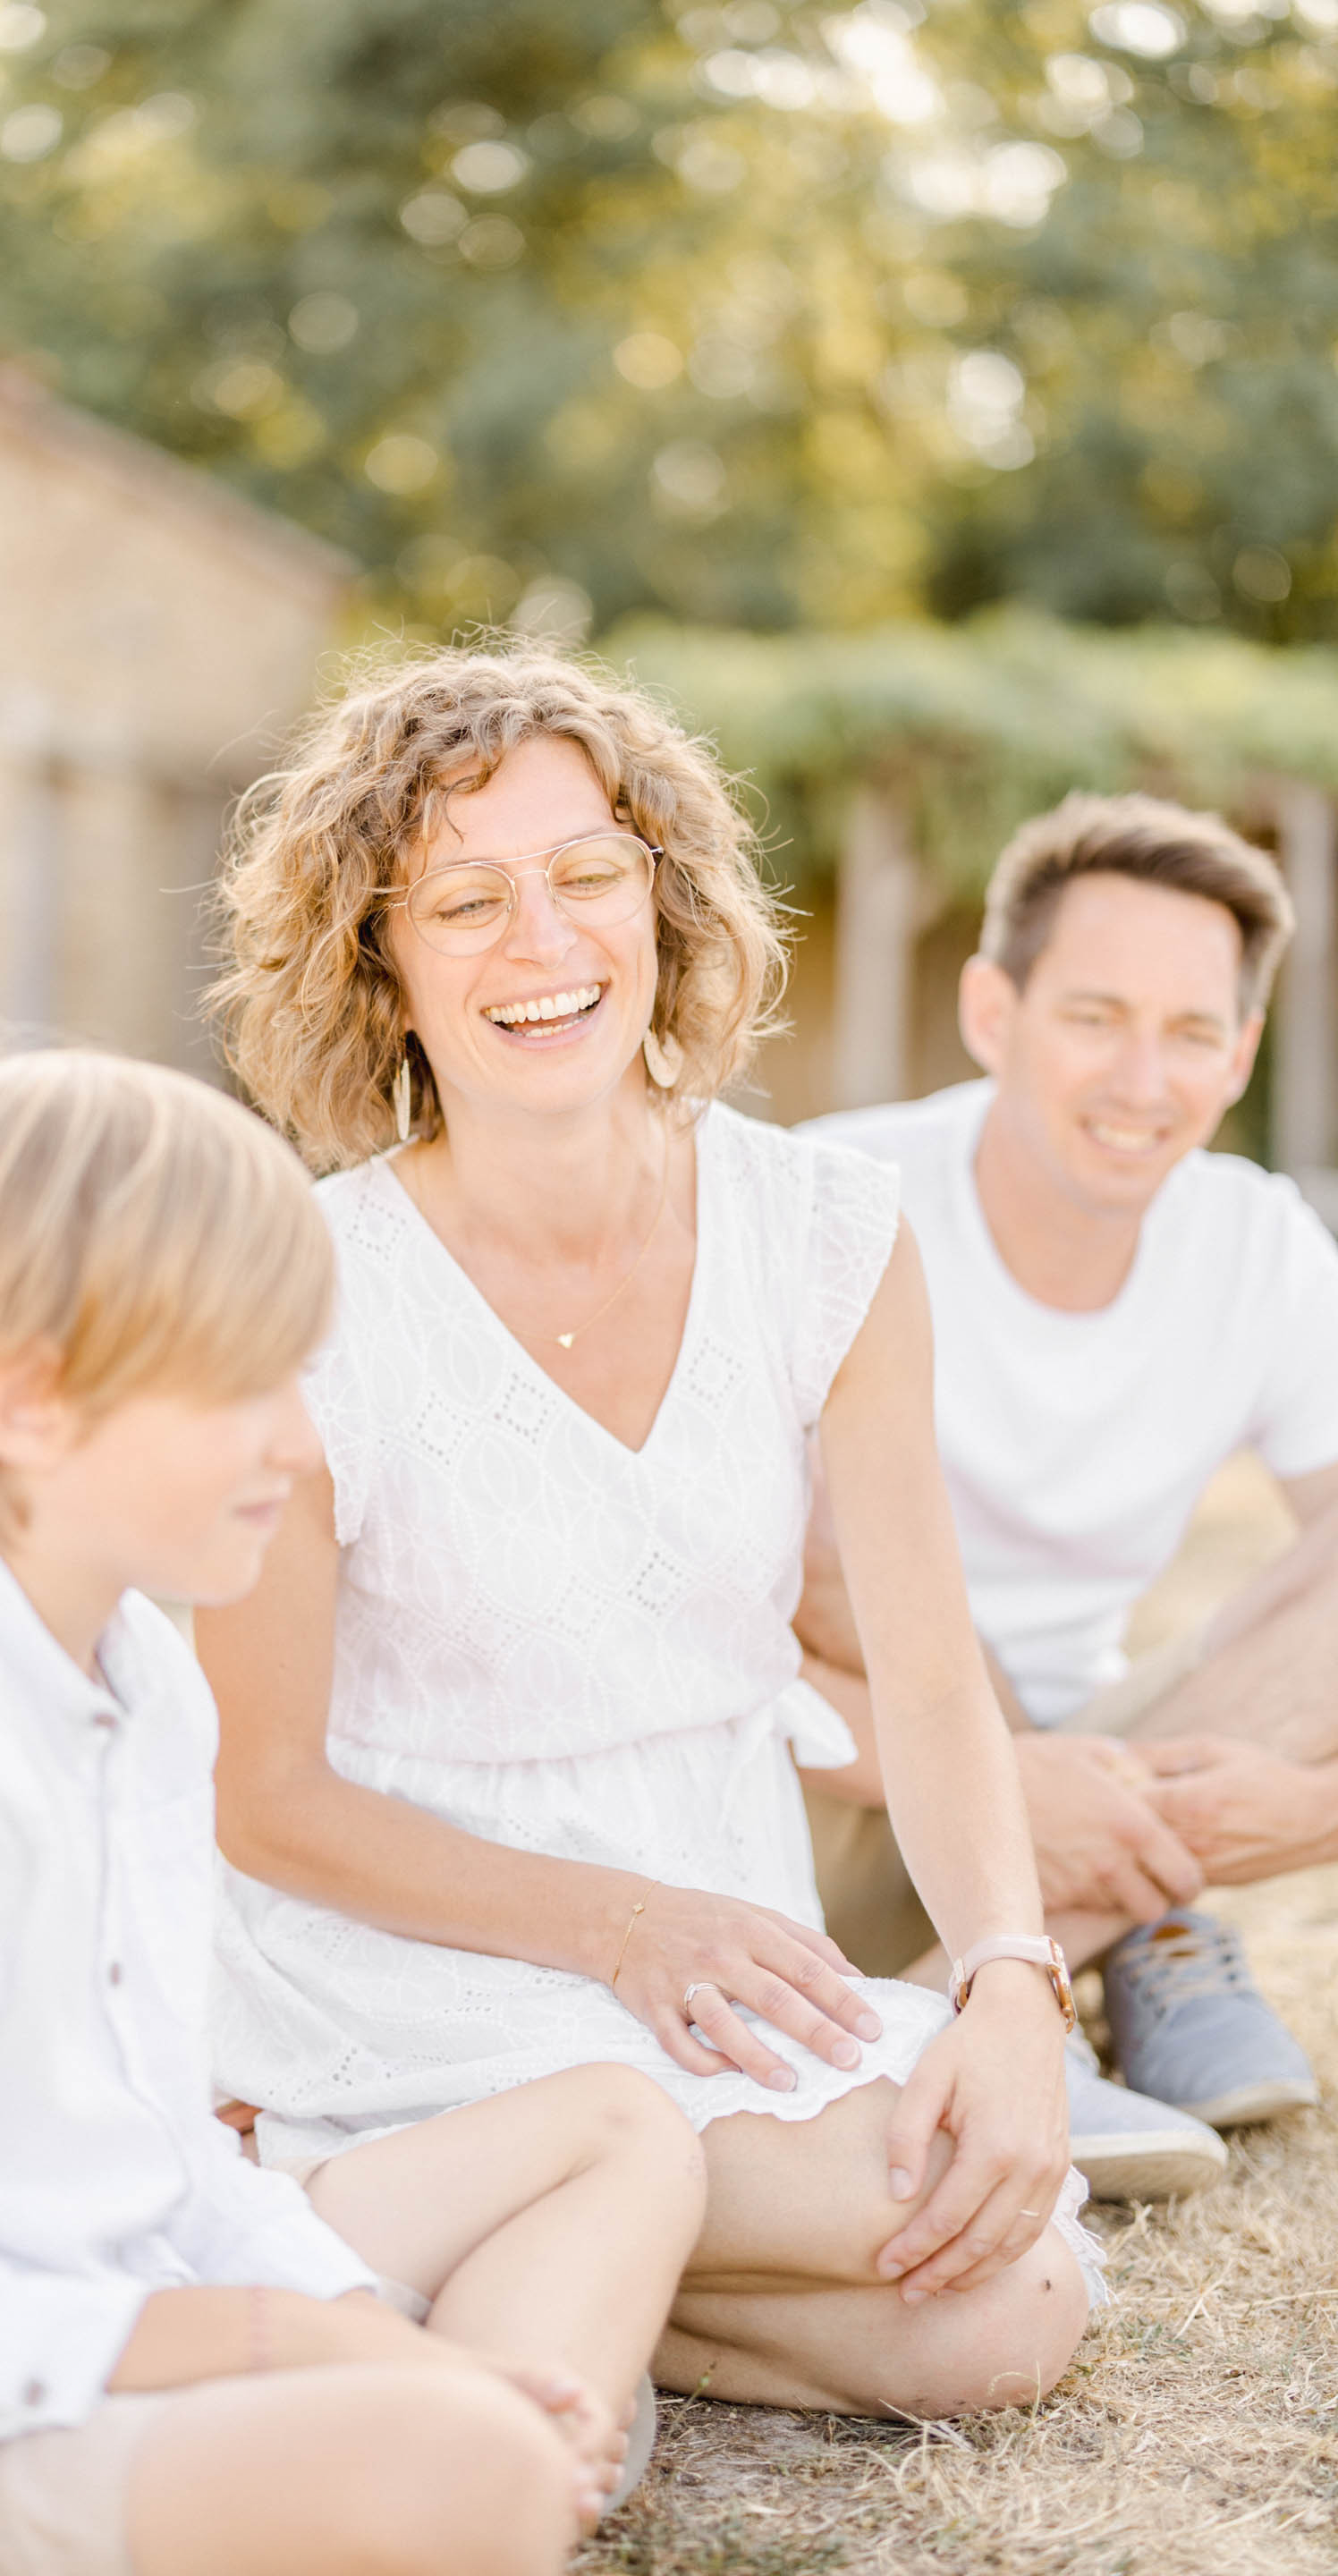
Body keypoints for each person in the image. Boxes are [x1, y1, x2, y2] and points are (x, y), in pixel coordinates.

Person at [0, 1049, 709, 2576]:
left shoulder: (137, 1673)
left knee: (616, 2126)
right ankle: (469, 2473)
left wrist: (355, 2334)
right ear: (26, 1403)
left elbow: (159, 2157)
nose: (298, 1441)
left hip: (88, 2283)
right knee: (458, 2462)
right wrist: (287, 2348)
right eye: (242, 1385)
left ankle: (477, 2461)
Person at [202, 644, 1101, 2427]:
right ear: (381, 965)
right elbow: (265, 1795)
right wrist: (618, 1928)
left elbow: (932, 1682)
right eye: (466, 901)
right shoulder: (303, 1296)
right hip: (423, 1958)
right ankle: (401, 2185)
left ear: (664, 898)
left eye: (586, 874)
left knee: (1007, 2321)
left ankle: (464, 2265)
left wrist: (1012, 1980)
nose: (540, 941)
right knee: (921, 2211)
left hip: (729, 1941)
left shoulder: (831, 1235)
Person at [799, 792, 1337, 2203]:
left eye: (1192, 1032)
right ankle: (1114, 1940)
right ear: (994, 1012)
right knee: (821, 1529)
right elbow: (695, 1616)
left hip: (1118, 1768)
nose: (1142, 1080)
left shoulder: (1256, 1241)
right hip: (834, 1784)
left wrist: (1308, 1810)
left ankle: (1016, 1976)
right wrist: (993, 1781)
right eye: (1096, 1017)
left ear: (1242, 1054)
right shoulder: (831, 1198)